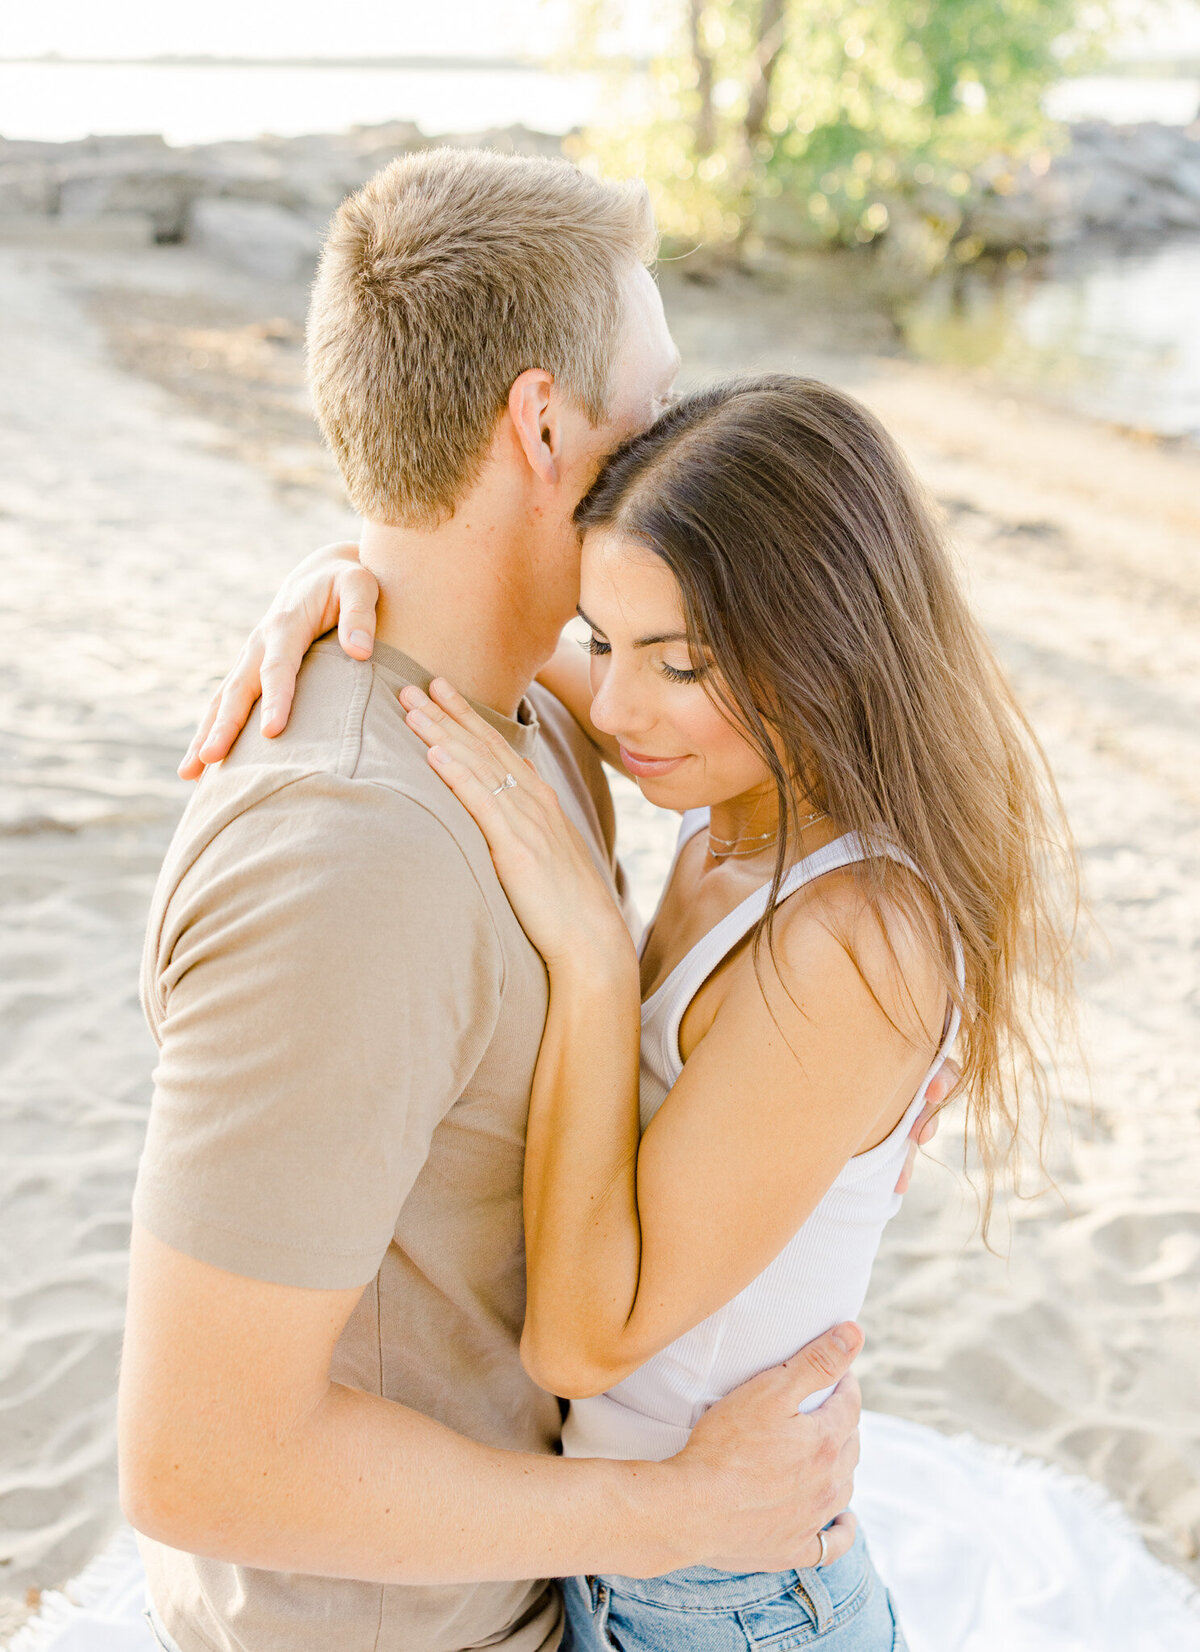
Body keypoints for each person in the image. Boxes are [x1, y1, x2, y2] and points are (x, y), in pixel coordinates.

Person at [119, 150, 913, 1652]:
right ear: (544, 423)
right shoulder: (348, 862)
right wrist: (680, 1512)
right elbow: (197, 1460)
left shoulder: (546, 714)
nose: (680, 437)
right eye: (655, 398)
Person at [204, 375, 1074, 1651]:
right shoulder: (740, 777)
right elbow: (459, 628)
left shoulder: (856, 936)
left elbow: (579, 1338)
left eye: (680, 663)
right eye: (606, 641)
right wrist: (325, 578)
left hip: (729, 1599)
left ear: (829, 643)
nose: (614, 708)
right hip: (643, 1547)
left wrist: (598, 963)